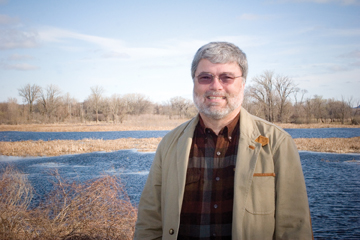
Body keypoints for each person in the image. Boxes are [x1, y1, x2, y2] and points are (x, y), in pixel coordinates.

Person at [134, 42, 313, 240]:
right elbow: (149, 222)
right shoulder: (170, 144)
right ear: (194, 82)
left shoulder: (277, 143)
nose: (215, 86)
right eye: (205, 77)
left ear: (242, 84)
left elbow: (294, 227)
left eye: (226, 77)